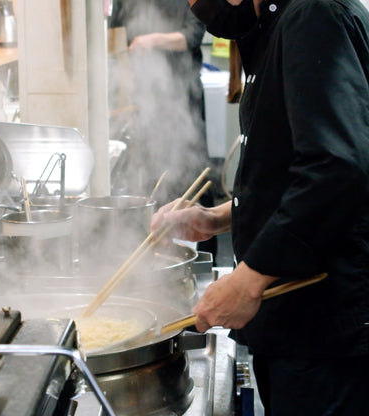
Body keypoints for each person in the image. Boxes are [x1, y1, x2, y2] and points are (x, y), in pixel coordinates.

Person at [151, 0, 369, 414]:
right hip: (299, 327)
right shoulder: (278, 25)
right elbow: (293, 174)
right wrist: (215, 218)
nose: (198, 5)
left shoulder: (314, 14)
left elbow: (336, 170)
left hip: (325, 332)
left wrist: (247, 281)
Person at [109, 0, 217, 260]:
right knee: (149, 177)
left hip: (183, 94)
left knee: (191, 174)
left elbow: (191, 36)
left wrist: (151, 41)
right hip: (142, 97)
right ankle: (158, 253)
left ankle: (203, 258)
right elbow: (114, 39)